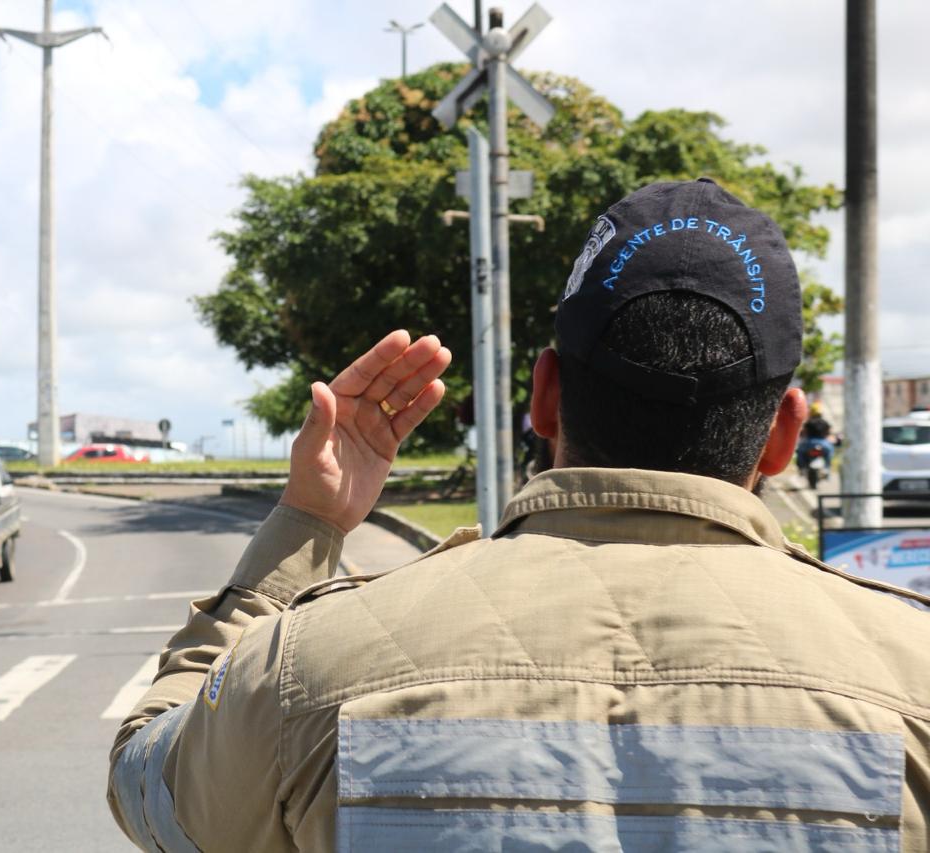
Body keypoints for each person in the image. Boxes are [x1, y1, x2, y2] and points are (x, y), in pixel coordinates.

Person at [106, 179, 930, 851]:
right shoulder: (913, 680)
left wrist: (305, 527)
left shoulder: (306, 668)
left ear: (543, 395)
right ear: (785, 432)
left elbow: (148, 785)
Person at [797, 400, 836, 469]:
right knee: (830, 451)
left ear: (811, 412)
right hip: (823, 443)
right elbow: (829, 433)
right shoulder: (825, 423)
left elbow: (803, 433)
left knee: (800, 451)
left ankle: (801, 468)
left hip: (809, 442)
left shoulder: (808, 423)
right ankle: (826, 468)